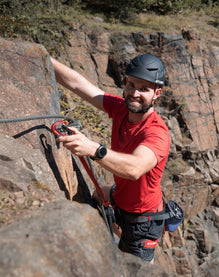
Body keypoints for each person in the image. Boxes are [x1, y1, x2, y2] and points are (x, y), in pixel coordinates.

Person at [50, 54, 170, 263]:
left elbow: (135, 168)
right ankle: (109, 241)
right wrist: (44, 57)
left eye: (143, 89)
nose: (134, 93)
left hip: (141, 223)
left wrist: (93, 149)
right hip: (122, 199)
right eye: (131, 84)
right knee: (98, 194)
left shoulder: (156, 133)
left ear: (156, 93)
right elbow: (77, 84)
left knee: (134, 269)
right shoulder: (121, 108)